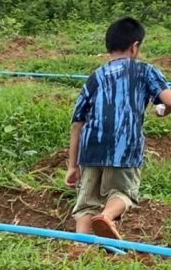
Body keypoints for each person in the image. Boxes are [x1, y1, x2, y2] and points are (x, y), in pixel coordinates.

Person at [65, 16, 171, 240]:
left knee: (85, 205)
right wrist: (165, 109)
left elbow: (77, 123)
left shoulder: (96, 76)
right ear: (135, 47)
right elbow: (168, 100)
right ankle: (106, 216)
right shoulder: (144, 71)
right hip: (125, 145)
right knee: (124, 193)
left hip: (91, 147)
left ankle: (80, 251)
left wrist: (72, 165)